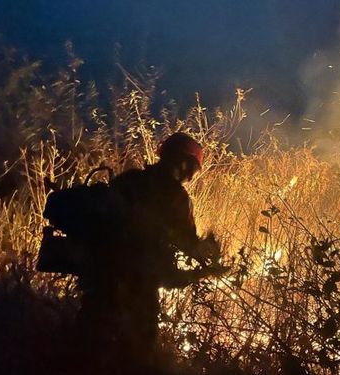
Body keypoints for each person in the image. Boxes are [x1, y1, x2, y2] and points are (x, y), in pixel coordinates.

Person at [74, 132, 226, 371]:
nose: (192, 176)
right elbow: (188, 244)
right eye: (194, 169)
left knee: (85, 348)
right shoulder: (176, 197)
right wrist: (211, 251)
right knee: (138, 355)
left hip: (100, 277)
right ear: (184, 163)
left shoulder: (129, 179)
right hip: (139, 286)